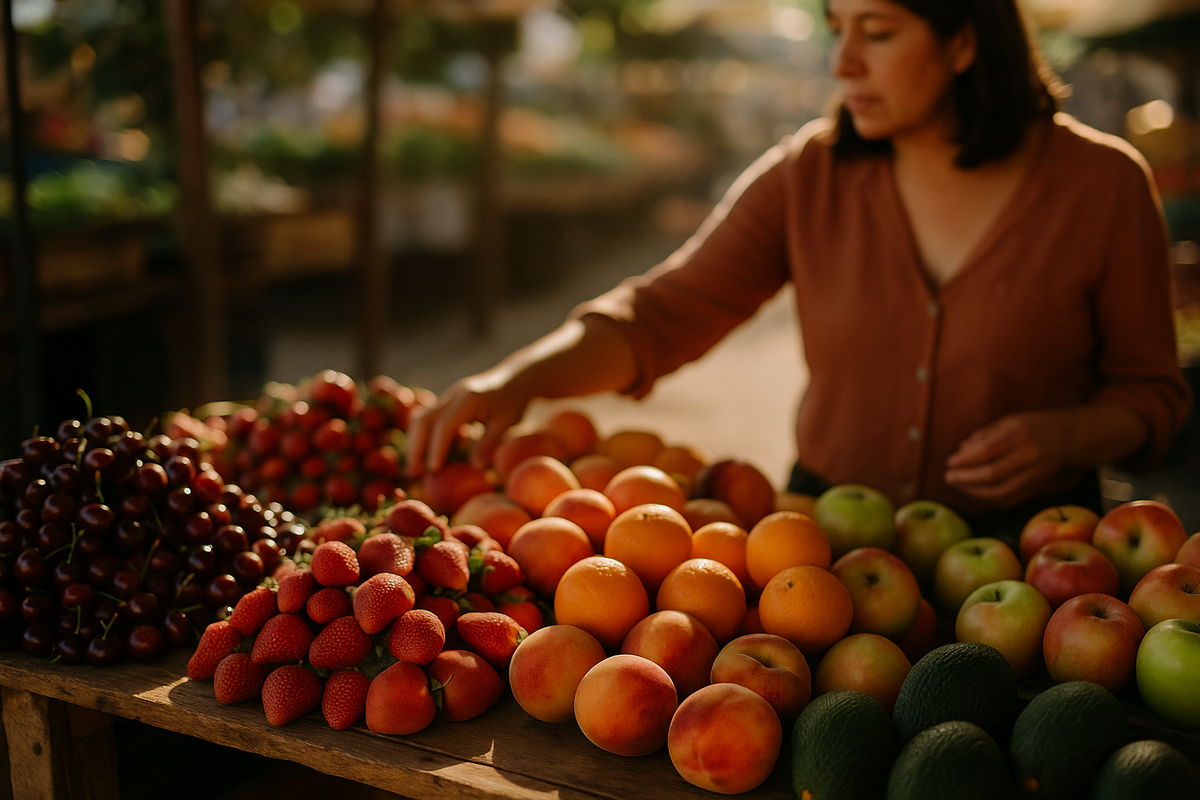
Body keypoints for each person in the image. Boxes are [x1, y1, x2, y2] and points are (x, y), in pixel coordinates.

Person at [406, 0, 1192, 536]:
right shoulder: (806, 175)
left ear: (964, 40)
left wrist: (1069, 435)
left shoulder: (1104, 185)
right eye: (835, 26)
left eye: (877, 32)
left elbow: (1153, 396)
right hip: (820, 565)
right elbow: (661, 316)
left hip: (1040, 566)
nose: (843, 62)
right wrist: (519, 379)